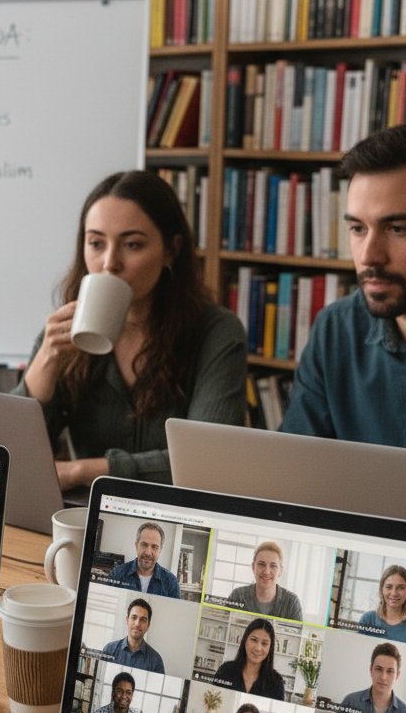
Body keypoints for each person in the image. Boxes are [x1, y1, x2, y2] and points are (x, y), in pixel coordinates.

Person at [14, 170, 247, 490]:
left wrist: (84, 471)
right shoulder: (64, 333)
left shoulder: (216, 333)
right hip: (85, 518)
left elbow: (207, 461)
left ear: (171, 250)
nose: (110, 262)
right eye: (96, 243)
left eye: (132, 244)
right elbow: (14, 454)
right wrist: (46, 361)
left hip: (177, 518)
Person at [280, 123, 406, 525]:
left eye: (398, 229)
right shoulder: (336, 330)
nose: (369, 255)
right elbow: (293, 484)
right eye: (358, 228)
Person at [339, 642, 406, 713]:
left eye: (390, 671)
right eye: (379, 669)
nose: (383, 677)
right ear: (371, 670)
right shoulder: (350, 702)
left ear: (397, 675)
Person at [226, 541, 303, 621]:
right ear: (253, 567)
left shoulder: (292, 603)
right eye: (261, 564)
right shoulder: (238, 596)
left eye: (273, 566)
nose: (266, 572)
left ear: (280, 571)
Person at [213, 618, 286, 700]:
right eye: (254, 640)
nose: (258, 648)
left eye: (264, 643)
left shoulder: (276, 682)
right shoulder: (225, 670)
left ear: (270, 647)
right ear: (245, 640)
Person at [356, 564, 406, 647]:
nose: (394, 593)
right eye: (389, 587)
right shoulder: (368, 619)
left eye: (400, 588)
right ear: (381, 590)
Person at [106, 520, 181, 598]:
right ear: (136, 546)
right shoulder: (117, 574)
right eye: (144, 545)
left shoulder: (171, 582)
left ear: (160, 550)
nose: (148, 553)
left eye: (154, 547)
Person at [101, 597, 165, 673]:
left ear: (148, 625)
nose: (137, 624)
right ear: (127, 620)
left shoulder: (156, 661)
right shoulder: (109, 650)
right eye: (134, 617)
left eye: (143, 620)